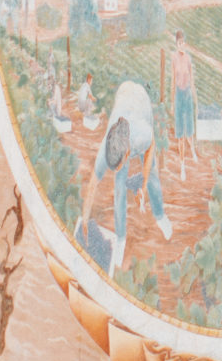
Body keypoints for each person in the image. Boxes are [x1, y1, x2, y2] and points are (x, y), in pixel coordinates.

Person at [80, 80, 172, 271]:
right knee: (120, 187)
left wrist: (144, 184)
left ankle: (160, 215)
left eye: (120, 164)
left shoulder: (142, 135)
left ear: (128, 152)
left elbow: (151, 148)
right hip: (123, 94)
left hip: (140, 102)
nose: (116, 169)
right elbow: (92, 185)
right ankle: (120, 239)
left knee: (152, 172)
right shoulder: (108, 146)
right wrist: (85, 219)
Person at [165, 30, 199, 169]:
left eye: (183, 42)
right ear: (176, 44)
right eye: (179, 43)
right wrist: (173, 103)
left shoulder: (188, 58)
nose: (181, 45)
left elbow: (192, 81)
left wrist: (195, 100)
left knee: (189, 129)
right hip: (179, 94)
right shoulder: (174, 58)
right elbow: (173, 80)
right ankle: (182, 163)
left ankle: (192, 151)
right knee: (180, 132)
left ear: (185, 43)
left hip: (188, 95)